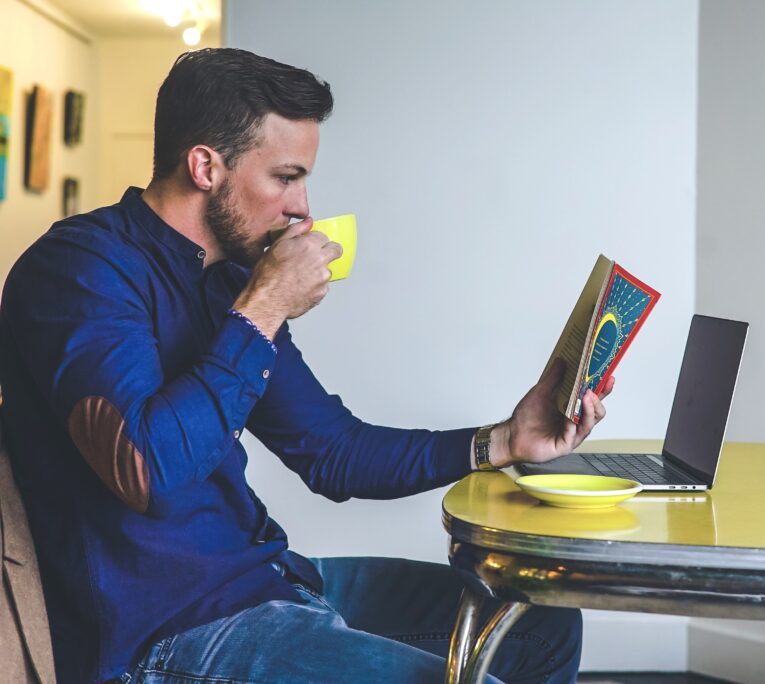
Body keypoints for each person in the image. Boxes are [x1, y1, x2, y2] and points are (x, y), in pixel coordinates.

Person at [0, 48, 612, 684]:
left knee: (540, 625)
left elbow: (332, 452)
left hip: (268, 581)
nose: (302, 208)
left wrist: (506, 440)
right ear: (206, 166)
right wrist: (263, 309)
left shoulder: (228, 283)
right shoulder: (79, 270)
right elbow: (148, 471)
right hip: (165, 631)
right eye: (285, 178)